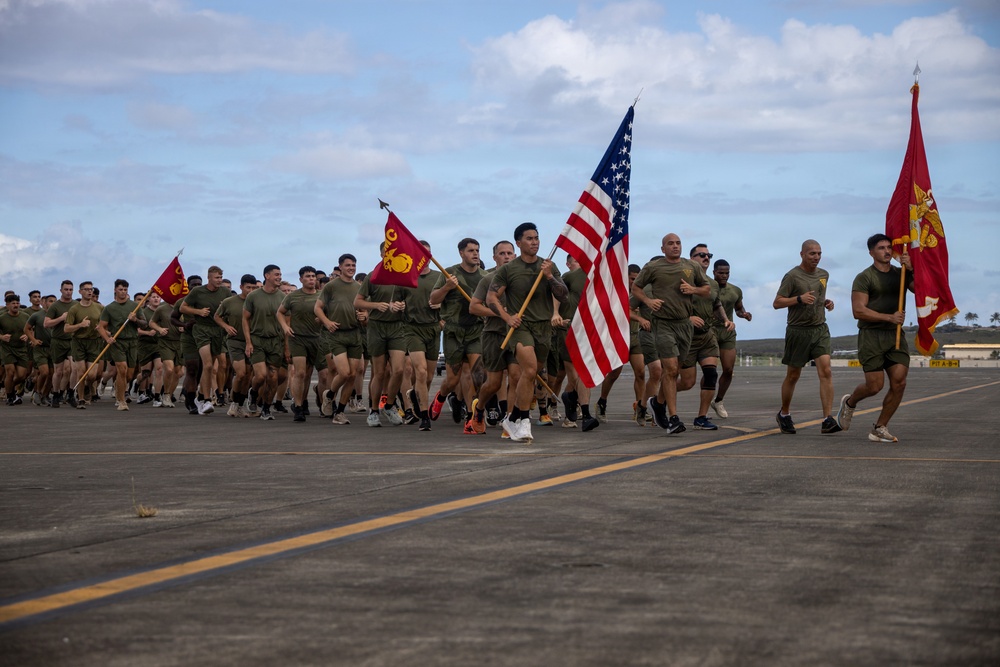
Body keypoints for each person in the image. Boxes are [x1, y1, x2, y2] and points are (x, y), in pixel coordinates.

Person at [487, 222, 568, 443]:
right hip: (520, 326)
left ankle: (512, 417)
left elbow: (563, 295)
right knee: (530, 369)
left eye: (537, 238)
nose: (535, 242)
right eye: (530, 238)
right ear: (519, 242)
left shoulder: (547, 266)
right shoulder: (508, 269)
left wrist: (550, 276)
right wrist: (507, 317)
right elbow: (491, 297)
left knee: (530, 374)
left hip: (544, 328)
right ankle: (523, 420)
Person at [836, 233, 915, 443]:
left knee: (899, 382)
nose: (887, 251)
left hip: (895, 336)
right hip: (871, 336)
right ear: (871, 252)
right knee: (874, 386)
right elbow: (858, 311)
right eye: (881, 248)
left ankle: (880, 428)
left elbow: (920, 290)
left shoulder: (901, 274)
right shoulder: (864, 277)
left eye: (889, 247)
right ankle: (850, 402)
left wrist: (912, 269)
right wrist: (889, 316)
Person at [631, 234, 711, 434]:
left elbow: (707, 289)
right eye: (670, 244)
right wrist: (648, 302)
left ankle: (658, 403)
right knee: (670, 369)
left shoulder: (691, 266)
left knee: (677, 370)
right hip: (663, 324)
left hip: (684, 325)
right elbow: (636, 288)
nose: (675, 247)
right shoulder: (653, 268)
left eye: (678, 243)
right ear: (663, 248)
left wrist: (693, 289)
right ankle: (673, 418)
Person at [773, 239, 839, 435]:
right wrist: (798, 299)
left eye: (819, 253)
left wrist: (826, 302)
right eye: (812, 254)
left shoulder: (824, 275)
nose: (816, 257)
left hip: (819, 329)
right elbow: (777, 303)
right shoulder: (792, 276)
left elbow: (818, 296)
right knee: (793, 375)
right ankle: (784, 414)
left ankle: (828, 419)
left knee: (825, 370)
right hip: (798, 331)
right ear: (802, 254)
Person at [428, 238, 487, 425]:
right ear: (461, 253)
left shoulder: (484, 277)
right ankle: (441, 397)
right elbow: (433, 298)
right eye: (471, 251)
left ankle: (472, 418)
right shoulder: (449, 273)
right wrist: (447, 287)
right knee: (452, 381)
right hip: (454, 332)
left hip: (476, 330)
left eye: (477, 250)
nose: (475, 254)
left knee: (476, 376)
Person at [676, 244, 734, 431]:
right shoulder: (681, 279)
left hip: (707, 335)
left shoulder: (713, 283)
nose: (706, 257)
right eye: (701, 255)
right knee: (687, 382)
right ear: (691, 258)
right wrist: (687, 318)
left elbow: (716, 304)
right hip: (686, 337)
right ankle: (657, 399)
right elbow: (669, 305)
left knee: (711, 374)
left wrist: (726, 320)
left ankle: (701, 417)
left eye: (708, 255)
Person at [466, 240, 519, 435]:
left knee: (516, 377)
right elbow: (474, 307)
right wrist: (500, 313)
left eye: (510, 253)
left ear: (515, 256)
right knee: (493, 383)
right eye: (502, 253)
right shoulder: (488, 280)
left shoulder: (520, 281)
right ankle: (479, 409)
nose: (506, 256)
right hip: (493, 335)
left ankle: (511, 421)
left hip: (516, 335)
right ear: (494, 257)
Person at [355, 245, 409, 427]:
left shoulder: (403, 276)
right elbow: (358, 302)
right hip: (377, 327)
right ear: (381, 254)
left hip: (397, 327)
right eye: (387, 252)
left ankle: (390, 404)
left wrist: (402, 306)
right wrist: (376, 305)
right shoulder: (373, 276)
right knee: (379, 373)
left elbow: (410, 300)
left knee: (399, 370)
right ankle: (373, 410)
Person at [315, 254, 364, 425]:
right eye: (348, 265)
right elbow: (318, 308)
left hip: (355, 333)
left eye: (354, 265)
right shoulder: (331, 287)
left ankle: (340, 411)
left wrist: (364, 316)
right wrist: (327, 322)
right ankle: (329, 394)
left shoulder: (359, 287)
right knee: (344, 372)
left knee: (352, 376)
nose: (351, 268)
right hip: (337, 334)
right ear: (340, 267)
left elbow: (365, 311)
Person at [554, 254, 600, 431]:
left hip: (588, 331)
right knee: (576, 374)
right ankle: (585, 413)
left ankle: (570, 400)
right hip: (568, 329)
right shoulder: (569, 277)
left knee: (580, 376)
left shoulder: (598, 276)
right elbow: (556, 292)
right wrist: (556, 313)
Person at [403, 242, 442, 431]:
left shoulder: (439, 277)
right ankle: (424, 417)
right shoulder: (406, 277)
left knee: (428, 376)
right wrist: (396, 306)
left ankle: (415, 394)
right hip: (413, 329)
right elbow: (396, 301)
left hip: (433, 329)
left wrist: (441, 309)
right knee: (420, 371)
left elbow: (449, 302)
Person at [181, 266, 230, 414]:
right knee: (208, 365)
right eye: (216, 278)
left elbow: (227, 310)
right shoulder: (198, 292)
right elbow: (183, 308)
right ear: (209, 278)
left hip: (217, 330)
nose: (219, 281)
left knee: (212, 366)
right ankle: (206, 400)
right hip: (201, 329)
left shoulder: (225, 292)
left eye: (221, 278)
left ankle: (201, 396)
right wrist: (198, 311)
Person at [278, 266, 323, 422]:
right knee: (300, 372)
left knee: (309, 373)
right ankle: (297, 406)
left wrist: (322, 319)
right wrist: (285, 327)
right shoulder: (293, 296)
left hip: (316, 338)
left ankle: (303, 401)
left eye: (313, 276)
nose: (311, 279)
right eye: (307, 276)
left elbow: (327, 312)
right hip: (297, 338)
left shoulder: (321, 296)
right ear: (301, 279)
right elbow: (280, 312)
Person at [243, 265, 287, 420]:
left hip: (275, 340)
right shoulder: (253, 296)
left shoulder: (283, 297)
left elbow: (287, 320)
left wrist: (286, 346)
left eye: (280, 274)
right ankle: (253, 393)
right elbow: (245, 318)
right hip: (257, 339)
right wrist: (248, 342)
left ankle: (267, 408)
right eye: (276, 274)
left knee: (273, 377)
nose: (279, 277)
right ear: (267, 276)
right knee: (261, 375)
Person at [710, 259, 752, 418]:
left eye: (727, 273)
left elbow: (739, 308)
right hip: (710, 331)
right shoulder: (707, 287)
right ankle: (704, 402)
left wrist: (745, 315)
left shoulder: (735, 290)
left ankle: (718, 400)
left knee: (728, 370)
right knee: (710, 371)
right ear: (714, 272)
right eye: (721, 273)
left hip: (727, 332)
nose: (724, 276)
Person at [215, 274, 256, 418]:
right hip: (235, 341)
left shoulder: (256, 302)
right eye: (248, 287)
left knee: (248, 375)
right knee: (240, 373)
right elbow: (217, 316)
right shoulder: (229, 302)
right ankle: (233, 401)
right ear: (241, 287)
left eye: (253, 288)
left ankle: (240, 403)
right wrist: (226, 326)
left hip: (252, 341)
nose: (250, 290)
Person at [97, 279, 140, 411]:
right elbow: (100, 327)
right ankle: (121, 401)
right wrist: (107, 338)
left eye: (125, 290)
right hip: (117, 342)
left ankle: (118, 387)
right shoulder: (109, 308)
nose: (123, 292)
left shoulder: (134, 306)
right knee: (122, 369)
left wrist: (135, 319)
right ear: (115, 290)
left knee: (129, 375)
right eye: (120, 289)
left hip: (132, 341)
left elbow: (144, 323)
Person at [63, 281, 104, 408]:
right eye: (86, 289)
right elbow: (66, 328)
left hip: (94, 341)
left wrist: (103, 330)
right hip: (79, 342)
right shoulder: (74, 309)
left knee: (92, 375)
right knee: (81, 372)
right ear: (80, 292)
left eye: (91, 289)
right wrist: (80, 325)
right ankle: (80, 399)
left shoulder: (99, 307)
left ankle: (87, 386)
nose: (89, 291)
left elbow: (105, 324)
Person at [44, 280, 76, 408]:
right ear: (61, 290)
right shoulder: (55, 306)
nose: (68, 292)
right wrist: (61, 318)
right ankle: (56, 394)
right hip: (58, 340)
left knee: (74, 368)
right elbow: (46, 324)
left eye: (70, 289)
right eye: (66, 289)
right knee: (58, 371)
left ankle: (71, 393)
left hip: (72, 341)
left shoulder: (76, 305)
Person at [25, 294, 56, 405]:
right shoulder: (37, 315)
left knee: (52, 374)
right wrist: (33, 340)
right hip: (40, 348)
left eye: (54, 301)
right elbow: (27, 328)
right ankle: (37, 392)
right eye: (50, 301)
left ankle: (45, 395)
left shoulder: (58, 316)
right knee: (44, 372)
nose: (52, 303)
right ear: (44, 302)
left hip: (53, 348)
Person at [1, 294, 31, 405]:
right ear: (8, 305)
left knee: (22, 375)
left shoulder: (25, 316)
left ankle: (10, 387)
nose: (16, 305)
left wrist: (27, 336)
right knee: (10, 372)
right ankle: (9, 396)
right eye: (13, 303)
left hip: (21, 349)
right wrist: (2, 337)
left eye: (17, 303)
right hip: (7, 348)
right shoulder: (2, 318)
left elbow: (31, 330)